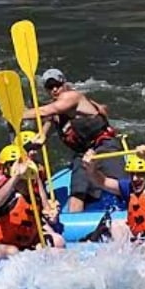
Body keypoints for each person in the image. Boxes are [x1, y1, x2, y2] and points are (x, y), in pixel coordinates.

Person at [22, 68, 124, 212]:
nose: (55, 89)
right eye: (50, 87)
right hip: (83, 154)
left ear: (64, 83)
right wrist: (35, 143)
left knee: (122, 186)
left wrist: (17, 114)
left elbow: (46, 110)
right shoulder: (55, 115)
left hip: (104, 146)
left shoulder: (72, 97)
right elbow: (44, 133)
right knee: (77, 194)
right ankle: (74, 224)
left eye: (57, 85)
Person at [0, 145, 64, 270]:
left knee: (58, 242)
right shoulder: (3, 193)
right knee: (13, 252)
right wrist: (16, 176)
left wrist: (52, 216)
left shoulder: (34, 193)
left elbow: (48, 214)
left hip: (25, 247)